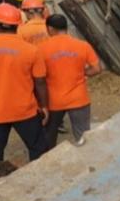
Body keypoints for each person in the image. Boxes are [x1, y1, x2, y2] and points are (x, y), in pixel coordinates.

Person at [0, 3, 50, 165]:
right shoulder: (31, 50)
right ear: (18, 24)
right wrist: (45, 105)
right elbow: (40, 81)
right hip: (25, 111)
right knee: (38, 150)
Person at [41, 14, 101, 147]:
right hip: (79, 98)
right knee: (83, 137)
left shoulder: (41, 49)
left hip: (53, 101)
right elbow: (96, 69)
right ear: (65, 27)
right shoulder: (82, 45)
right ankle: (86, 162)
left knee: (49, 135)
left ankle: (51, 161)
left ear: (50, 29)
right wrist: (83, 72)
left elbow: (39, 76)